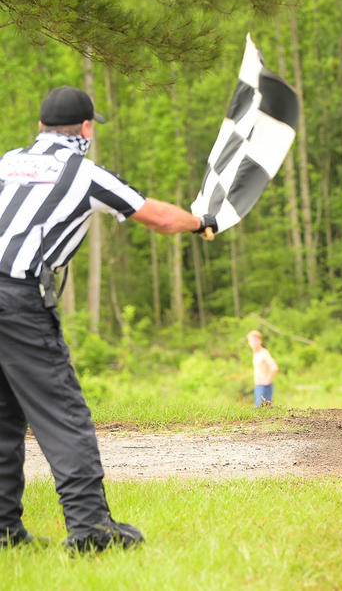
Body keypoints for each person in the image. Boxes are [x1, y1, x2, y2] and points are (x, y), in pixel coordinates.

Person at [0, 86, 218, 552]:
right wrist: (200, 222)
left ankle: (3, 531)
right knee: (64, 415)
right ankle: (91, 530)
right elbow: (156, 216)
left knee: (2, 417)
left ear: (39, 126)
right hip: (17, 299)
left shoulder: (6, 161)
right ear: (85, 128)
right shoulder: (83, 172)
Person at [247, 330, 278, 407]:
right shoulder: (255, 353)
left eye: (254, 341)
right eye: (250, 341)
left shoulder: (264, 353)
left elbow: (274, 367)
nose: (252, 343)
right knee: (259, 411)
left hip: (264, 387)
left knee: (262, 411)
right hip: (258, 386)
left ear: (260, 341)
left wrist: (267, 381)